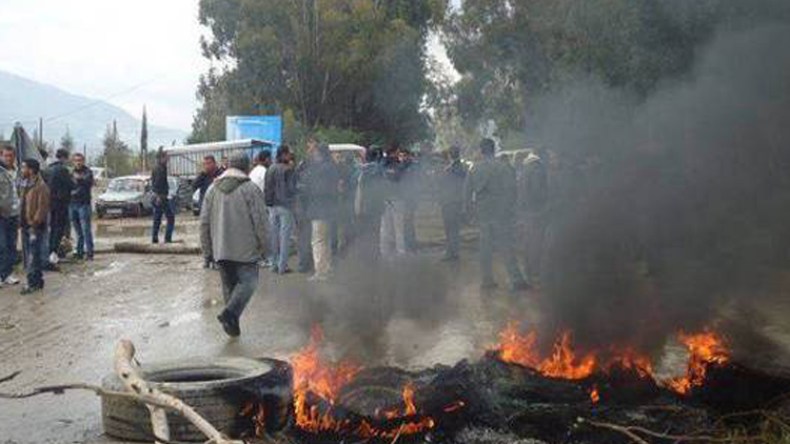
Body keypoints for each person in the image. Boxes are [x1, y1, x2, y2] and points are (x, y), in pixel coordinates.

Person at [200, 154, 268, 337]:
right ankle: (229, 315)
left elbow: (204, 222)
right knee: (249, 283)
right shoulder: (250, 189)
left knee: (229, 291)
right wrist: (265, 246)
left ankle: (232, 329)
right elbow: (261, 221)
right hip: (246, 250)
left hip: (221, 250)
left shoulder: (212, 190)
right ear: (245, 168)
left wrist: (207, 251)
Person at [464, 138, 529, 292]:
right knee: (506, 245)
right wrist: (512, 209)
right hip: (502, 212)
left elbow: (467, 193)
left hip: (483, 213)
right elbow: (513, 190)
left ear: (481, 150)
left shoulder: (474, 168)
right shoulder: (504, 166)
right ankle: (516, 280)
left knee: (485, 247)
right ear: (493, 149)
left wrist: (468, 212)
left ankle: (487, 280)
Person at [301, 143, 340, 281]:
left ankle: (320, 272)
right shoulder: (333, 167)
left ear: (320, 154)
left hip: (318, 209)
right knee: (326, 241)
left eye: (315, 152)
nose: (314, 154)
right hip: (331, 210)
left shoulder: (318, 169)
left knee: (317, 241)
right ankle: (327, 268)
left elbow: (307, 183)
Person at [264, 145, 297, 274]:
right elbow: (292, 189)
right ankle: (283, 267)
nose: (290, 156)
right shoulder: (288, 169)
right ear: (283, 155)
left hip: (272, 207)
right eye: (289, 154)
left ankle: (273, 265)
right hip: (285, 206)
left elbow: (267, 188)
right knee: (285, 237)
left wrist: (269, 203)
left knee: (274, 236)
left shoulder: (270, 168)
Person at [20, 159, 50, 294]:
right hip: (25, 225)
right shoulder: (25, 184)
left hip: (35, 226)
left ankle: (32, 282)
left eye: (24, 168)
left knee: (33, 255)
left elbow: (42, 208)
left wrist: (34, 224)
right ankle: (37, 281)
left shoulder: (41, 186)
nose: (22, 170)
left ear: (31, 170)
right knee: (31, 255)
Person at [43, 149, 74, 263]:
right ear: (64, 157)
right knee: (59, 228)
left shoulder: (48, 169)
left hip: (50, 202)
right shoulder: (63, 169)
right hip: (62, 202)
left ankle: (50, 252)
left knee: (52, 228)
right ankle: (53, 253)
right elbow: (72, 185)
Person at [439, 145, 468, 262]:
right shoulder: (459, 168)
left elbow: (446, 185)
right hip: (454, 201)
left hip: (451, 201)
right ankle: (453, 251)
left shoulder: (454, 169)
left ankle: (452, 252)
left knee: (451, 228)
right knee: (453, 228)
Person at [0, 146, 21, 285]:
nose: (8, 158)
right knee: (1, 245)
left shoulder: (18, 172)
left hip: (14, 214)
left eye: (11, 156)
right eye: (6, 155)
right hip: (2, 214)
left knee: (11, 245)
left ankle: (7, 273)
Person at [69, 153, 94, 260]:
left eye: (80, 160)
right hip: (72, 204)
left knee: (86, 230)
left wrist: (76, 179)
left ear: (83, 161)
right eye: (76, 160)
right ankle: (79, 252)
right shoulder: (70, 173)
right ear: (73, 162)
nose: (78, 162)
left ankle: (89, 252)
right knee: (77, 230)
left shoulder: (88, 172)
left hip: (83, 204)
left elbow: (85, 181)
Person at [150, 150, 175, 244]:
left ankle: (154, 238)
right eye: (166, 157)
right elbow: (157, 183)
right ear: (162, 158)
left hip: (158, 196)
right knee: (170, 217)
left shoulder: (157, 167)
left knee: (157, 218)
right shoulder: (160, 169)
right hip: (161, 197)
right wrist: (158, 196)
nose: (168, 159)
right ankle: (167, 239)